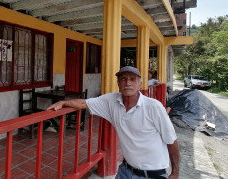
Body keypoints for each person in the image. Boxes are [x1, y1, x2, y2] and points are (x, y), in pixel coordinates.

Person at [47, 66, 179, 179]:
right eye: (123, 79)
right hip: (125, 170)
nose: (128, 83)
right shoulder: (111, 101)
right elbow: (84, 103)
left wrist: (175, 172)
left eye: (133, 79)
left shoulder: (153, 107)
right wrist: (63, 102)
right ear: (118, 84)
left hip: (151, 174)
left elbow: (171, 140)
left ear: (139, 84)